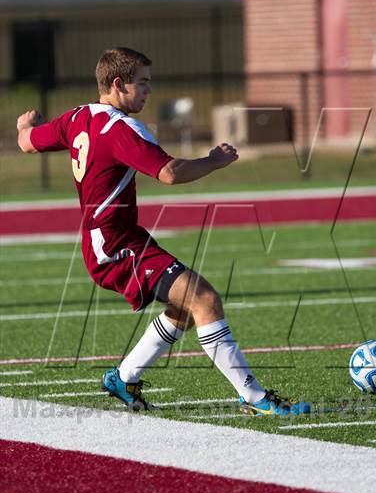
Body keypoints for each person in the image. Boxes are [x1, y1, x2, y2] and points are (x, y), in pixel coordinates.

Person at [17, 47, 310, 416]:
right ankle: (255, 398)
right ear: (119, 84)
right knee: (204, 299)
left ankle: (123, 378)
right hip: (115, 244)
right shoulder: (120, 128)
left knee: (186, 309)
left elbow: (27, 142)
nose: (148, 92)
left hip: (115, 239)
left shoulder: (79, 115)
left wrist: (24, 126)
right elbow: (170, 173)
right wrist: (214, 161)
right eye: (142, 83)